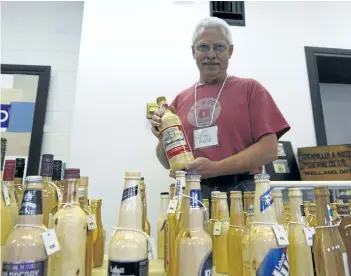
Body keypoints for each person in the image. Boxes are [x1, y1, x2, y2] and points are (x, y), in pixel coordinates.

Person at [151, 16, 290, 206]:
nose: (210, 54)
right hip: (193, 192)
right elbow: (168, 163)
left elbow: (269, 150)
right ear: (193, 51)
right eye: (203, 47)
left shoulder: (250, 89)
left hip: (243, 191)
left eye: (219, 47)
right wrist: (162, 138)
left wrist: (215, 168)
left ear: (230, 51)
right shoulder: (180, 101)